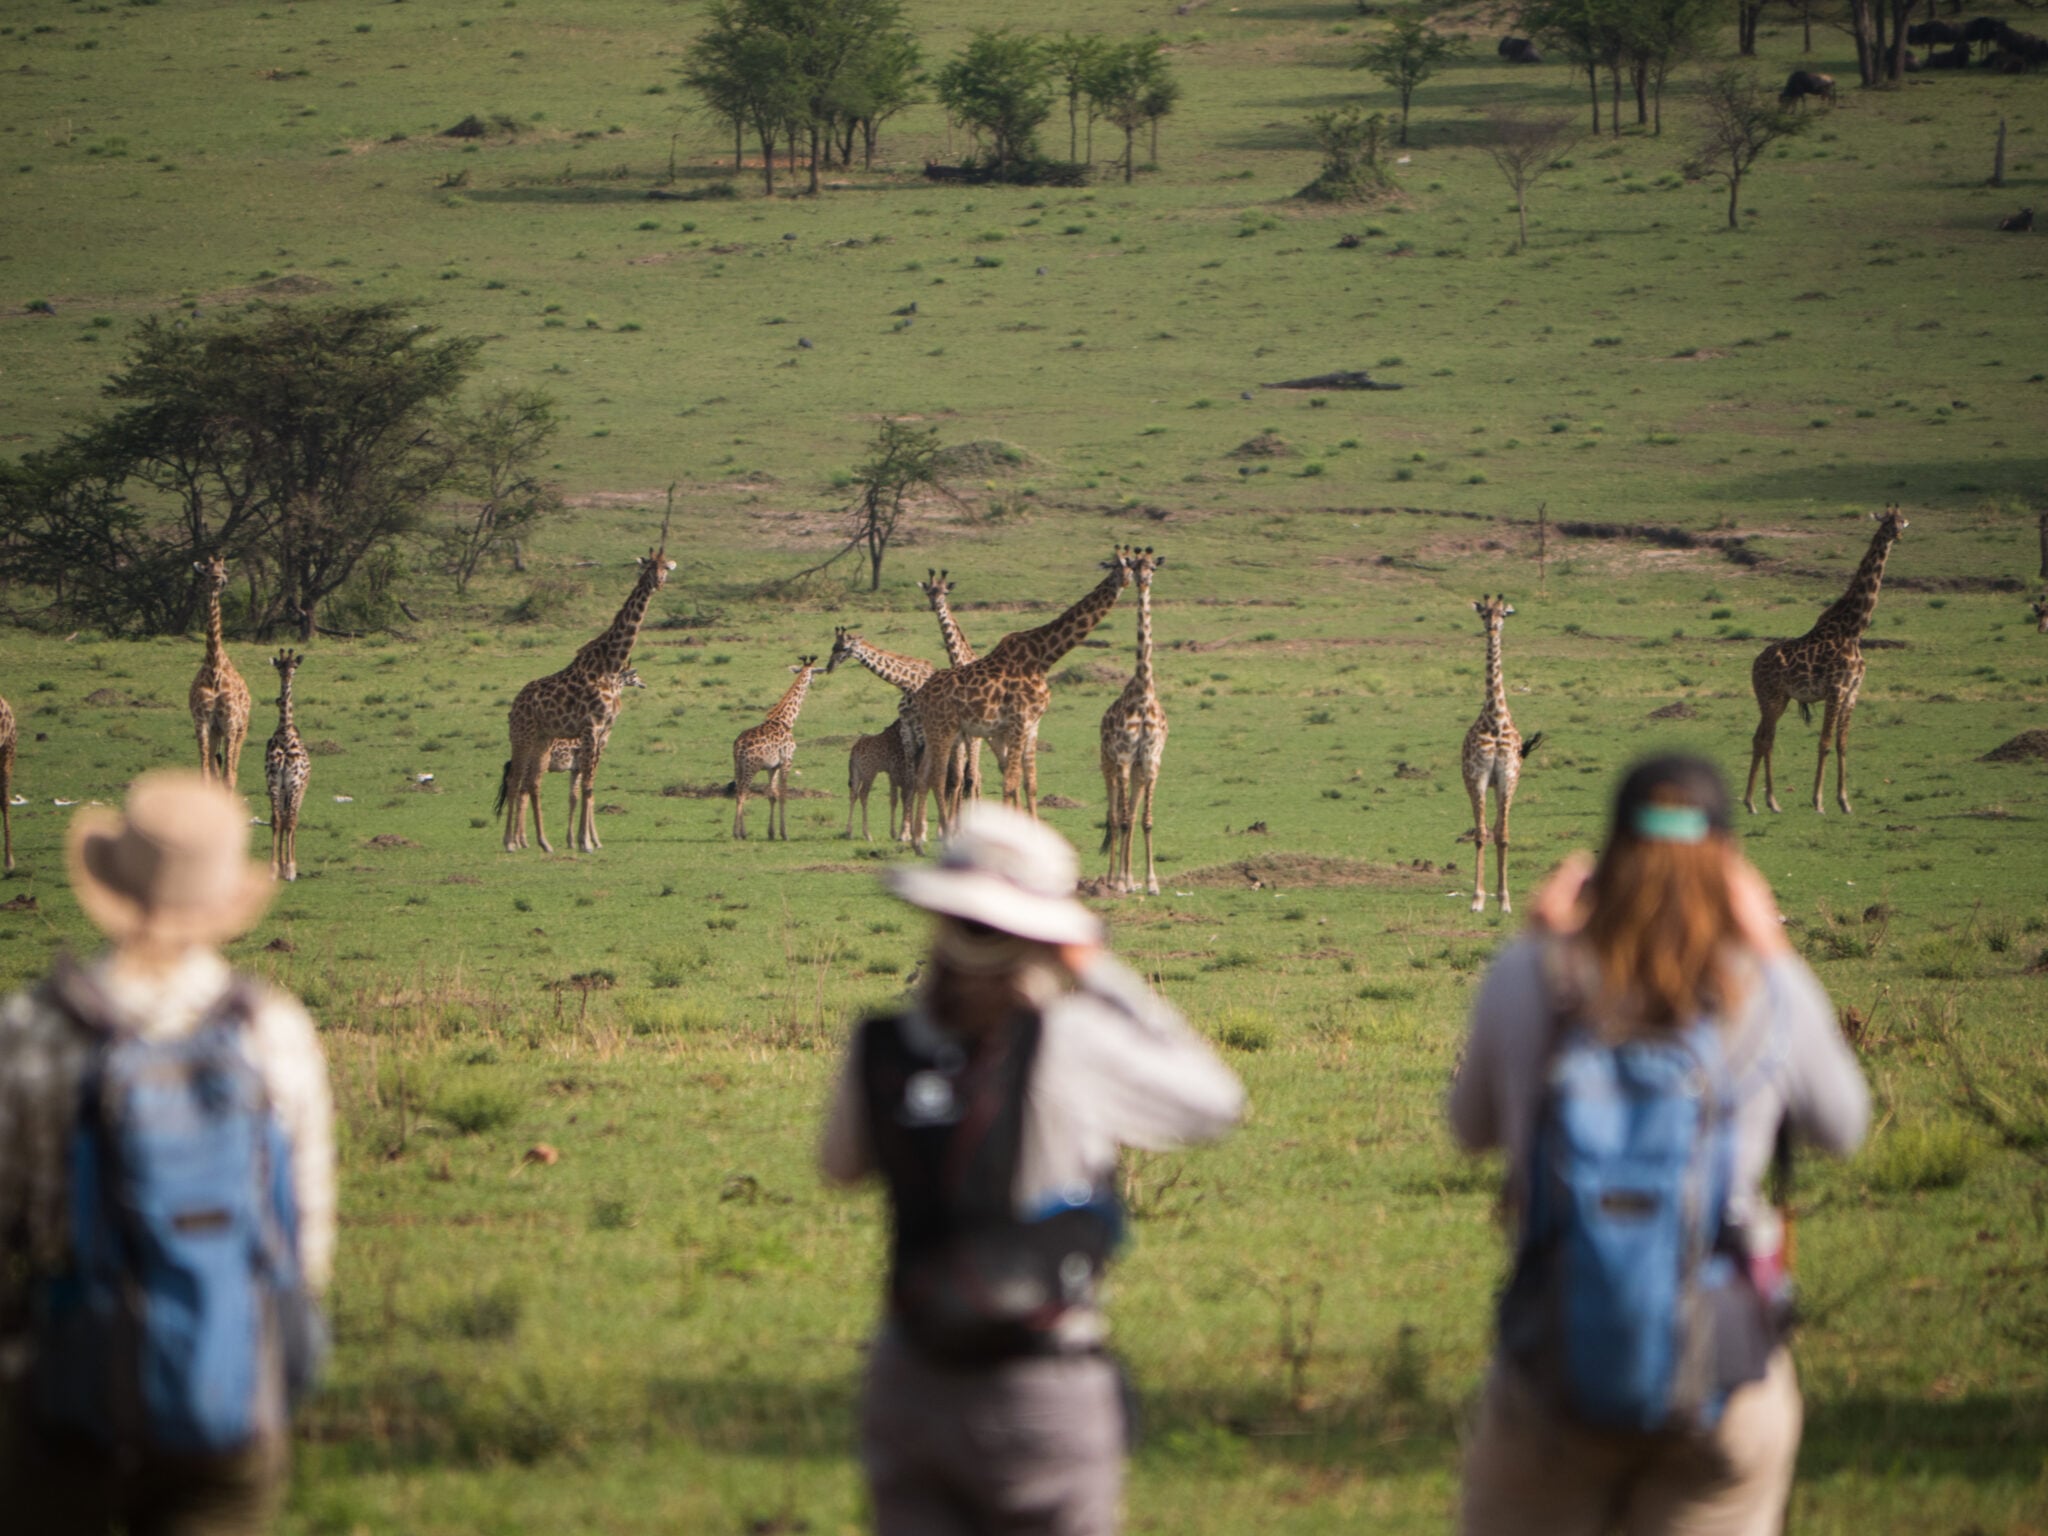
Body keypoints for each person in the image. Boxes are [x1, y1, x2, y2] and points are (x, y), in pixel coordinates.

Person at [1449, 753, 1869, 1536]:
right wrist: (1774, 949)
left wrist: (1531, 943)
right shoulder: (1767, 989)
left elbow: (1467, 1128)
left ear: (1604, 860)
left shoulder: (1532, 975)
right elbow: (1845, 1125)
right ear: (1729, 866)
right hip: (1727, 1382)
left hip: (1553, 1374)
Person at [820, 803, 1245, 1536]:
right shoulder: (1068, 1041)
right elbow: (1216, 1103)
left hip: (909, 1379)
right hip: (1040, 1383)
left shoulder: (881, 1045)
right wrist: (1097, 972)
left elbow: (839, 1167)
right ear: (1043, 935)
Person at [0, 770, 336, 1535]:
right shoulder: (273, 1032)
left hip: (69, 1397)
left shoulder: (34, 1029)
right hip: (229, 1396)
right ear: (224, 901)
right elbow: (304, 1241)